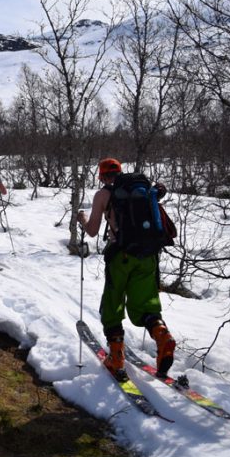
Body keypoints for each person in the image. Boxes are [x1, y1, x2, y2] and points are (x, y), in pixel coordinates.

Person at [77, 157, 176, 381]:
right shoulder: (141, 190)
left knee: (113, 304)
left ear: (101, 175)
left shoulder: (103, 195)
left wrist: (82, 219)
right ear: (120, 172)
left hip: (120, 256)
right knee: (146, 305)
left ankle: (117, 359)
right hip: (148, 256)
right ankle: (162, 336)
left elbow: (92, 231)